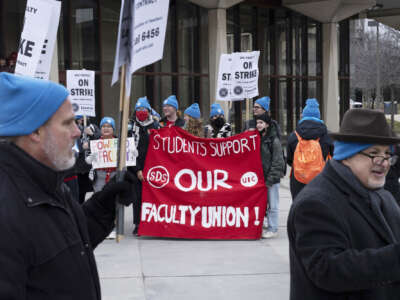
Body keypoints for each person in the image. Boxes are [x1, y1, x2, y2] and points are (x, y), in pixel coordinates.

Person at [0, 72, 133, 299]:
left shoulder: (48, 180)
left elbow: (66, 247)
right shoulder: (6, 210)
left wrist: (103, 205)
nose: (77, 132)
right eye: (67, 123)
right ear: (35, 131)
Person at [287, 108, 400, 300]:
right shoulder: (315, 203)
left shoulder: (381, 195)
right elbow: (328, 270)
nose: (384, 162)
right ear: (346, 155)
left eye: (388, 154)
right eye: (374, 153)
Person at [286, 98, 334, 200]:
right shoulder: (328, 136)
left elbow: (290, 160)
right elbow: (334, 158)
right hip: (321, 179)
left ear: (303, 116)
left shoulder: (294, 136)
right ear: (319, 116)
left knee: (299, 210)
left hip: (298, 179)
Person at [128, 96, 160, 235]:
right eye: (138, 109)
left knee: (153, 196)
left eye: (143, 109)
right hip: (136, 168)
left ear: (148, 110)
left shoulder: (155, 125)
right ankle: (138, 224)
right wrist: (138, 169)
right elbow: (128, 149)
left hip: (153, 167)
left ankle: (153, 223)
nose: (141, 111)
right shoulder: (130, 126)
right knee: (138, 197)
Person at [255, 113, 285, 238]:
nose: (258, 125)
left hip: (271, 179)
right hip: (261, 179)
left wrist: (270, 179)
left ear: (267, 124)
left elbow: (278, 162)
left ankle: (273, 228)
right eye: (257, 123)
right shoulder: (258, 138)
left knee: (273, 205)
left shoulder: (274, 140)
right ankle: (266, 226)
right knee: (263, 204)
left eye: (261, 123)